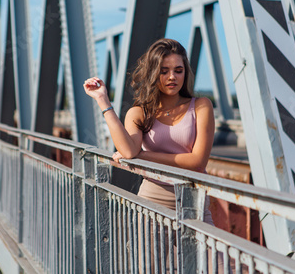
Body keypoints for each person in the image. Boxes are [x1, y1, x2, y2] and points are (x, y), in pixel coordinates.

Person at [83, 37, 214, 214]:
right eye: (164, 71)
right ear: (153, 73)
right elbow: (129, 152)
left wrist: (144, 155)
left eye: (178, 70)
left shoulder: (201, 106)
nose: (172, 77)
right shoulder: (139, 113)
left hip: (194, 200)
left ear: (185, 73)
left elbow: (198, 161)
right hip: (153, 199)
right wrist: (102, 100)